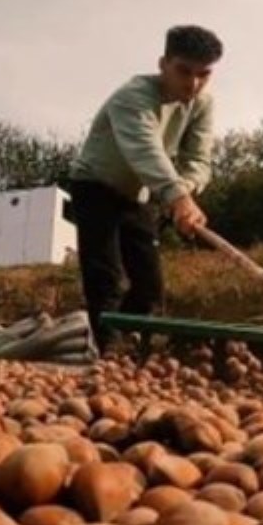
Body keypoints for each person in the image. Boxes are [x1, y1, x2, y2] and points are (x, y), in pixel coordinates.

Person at [67, 24, 222, 350]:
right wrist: (177, 196)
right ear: (163, 64)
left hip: (139, 194)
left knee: (149, 287)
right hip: (95, 185)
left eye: (203, 74)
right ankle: (109, 355)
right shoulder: (132, 97)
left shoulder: (201, 104)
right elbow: (144, 150)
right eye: (184, 71)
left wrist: (185, 192)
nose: (193, 83)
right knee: (106, 276)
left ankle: (134, 350)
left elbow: (198, 159)